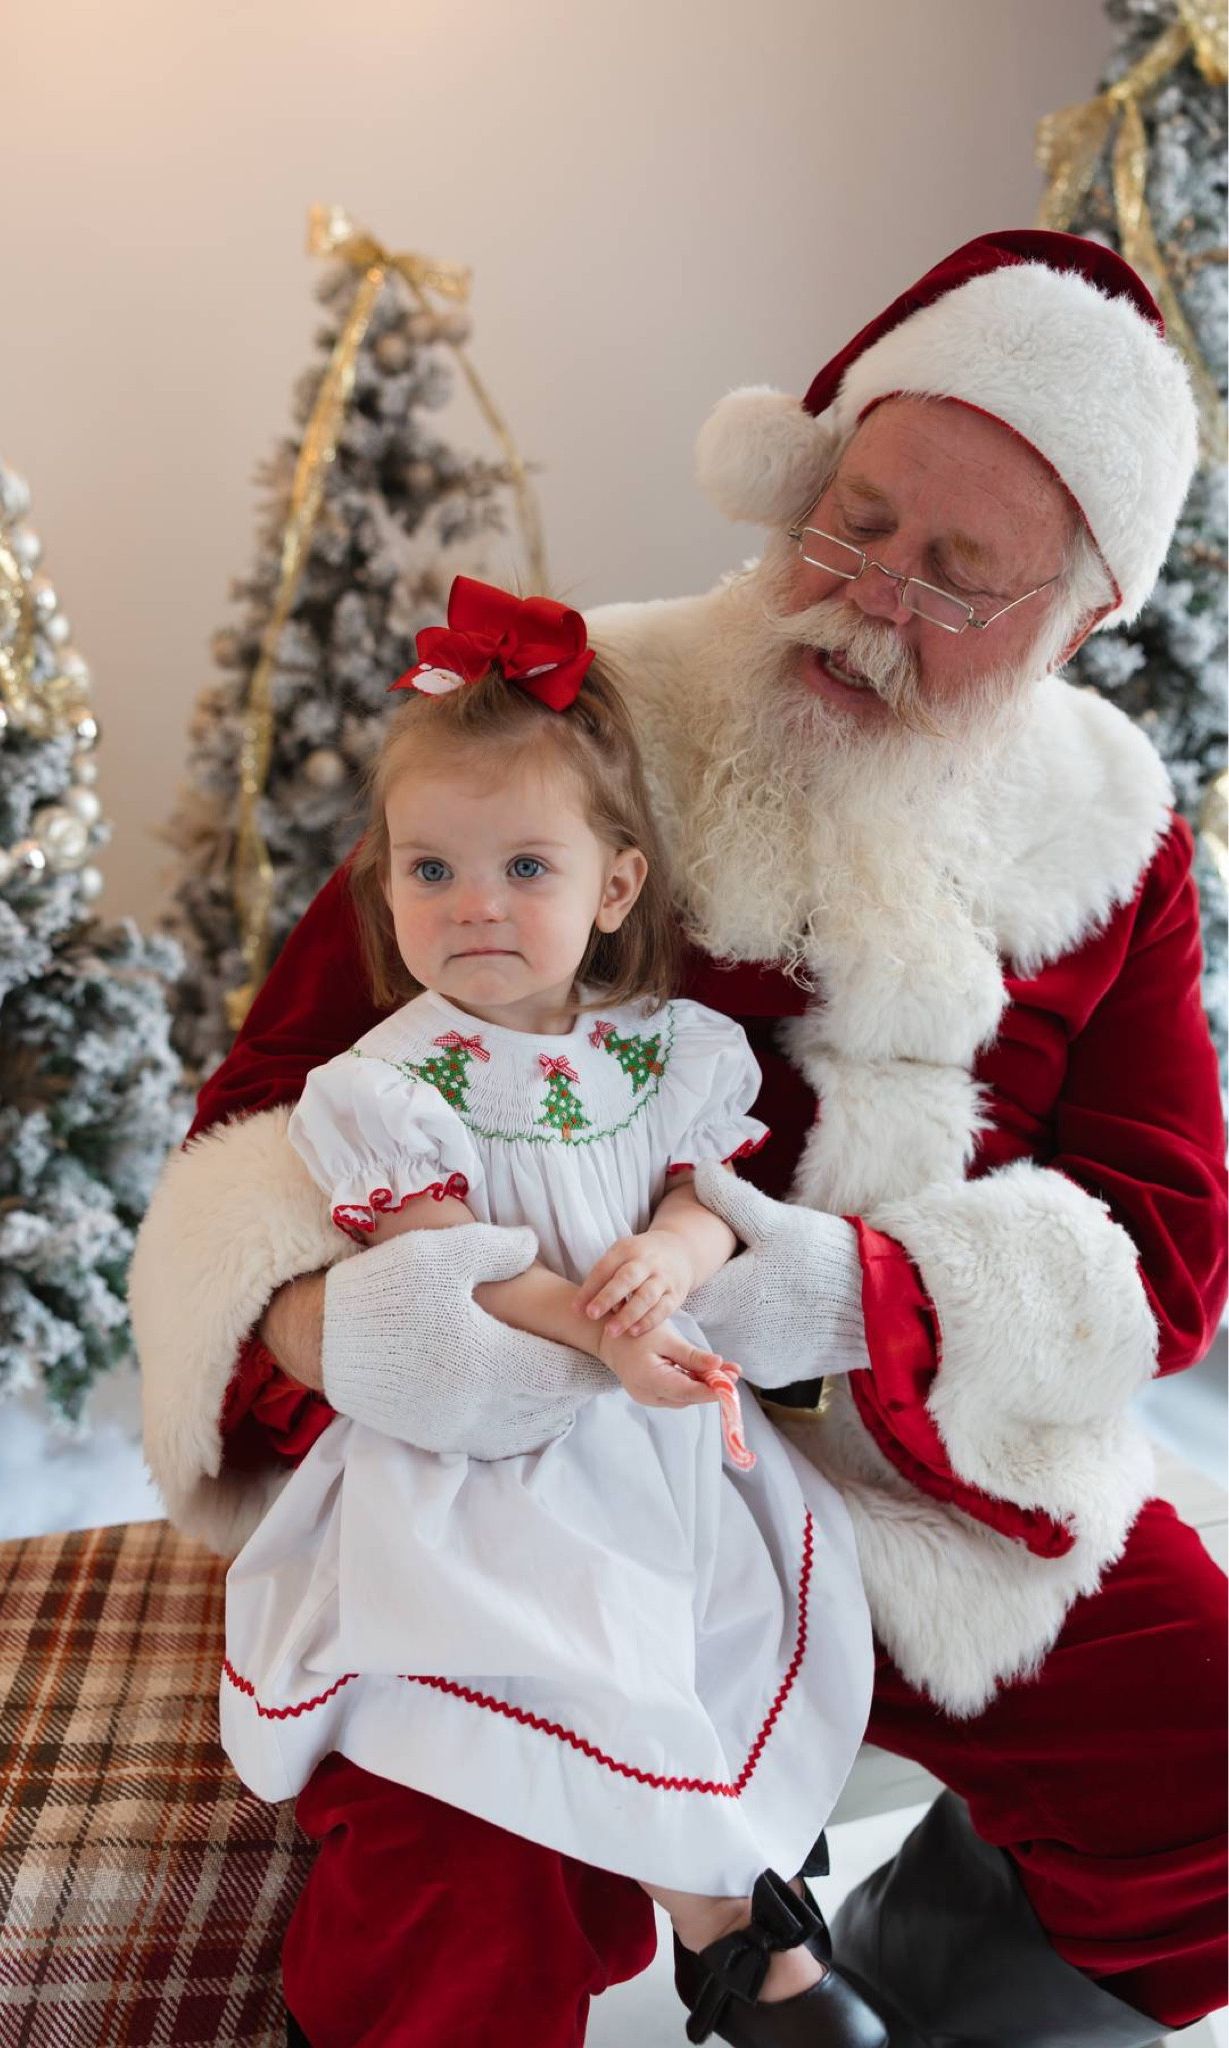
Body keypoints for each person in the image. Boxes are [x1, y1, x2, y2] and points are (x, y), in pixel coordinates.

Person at [131, 231, 1228, 2048]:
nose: (870, 597)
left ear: (1081, 619)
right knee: (460, 1861)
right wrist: (350, 1337)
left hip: (902, 1481)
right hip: (536, 1465)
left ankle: (913, 1981)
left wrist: (846, 1291)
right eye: (855, 520)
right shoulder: (584, 723)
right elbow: (258, 1124)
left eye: (958, 580)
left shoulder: (1110, 839)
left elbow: (1165, 1248)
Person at [221, 576, 886, 2044]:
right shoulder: (388, 1084)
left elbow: (718, 1188)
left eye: (526, 867)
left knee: (712, 1598)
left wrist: (679, 1249)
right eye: (431, 872)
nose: (474, 908)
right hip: (486, 1453)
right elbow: (446, 1265)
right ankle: (728, 1922)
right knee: (555, 1616)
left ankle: (730, 1886)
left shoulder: (669, 1053)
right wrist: (596, 1330)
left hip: (646, 1433)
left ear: (614, 888)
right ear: (385, 890)